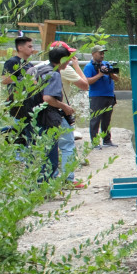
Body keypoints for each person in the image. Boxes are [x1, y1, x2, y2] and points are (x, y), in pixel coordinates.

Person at [30, 47, 78, 183]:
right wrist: (65, 106)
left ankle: (42, 183)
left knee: (44, 152)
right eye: (67, 60)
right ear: (62, 60)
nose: (68, 63)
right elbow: (48, 98)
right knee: (53, 152)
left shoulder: (41, 70)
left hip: (37, 116)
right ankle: (54, 184)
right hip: (49, 118)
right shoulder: (55, 74)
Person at [45, 41, 89, 185]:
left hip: (44, 113)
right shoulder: (65, 69)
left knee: (50, 146)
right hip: (57, 111)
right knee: (67, 145)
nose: (70, 58)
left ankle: (50, 178)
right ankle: (68, 179)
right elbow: (85, 85)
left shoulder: (42, 67)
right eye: (68, 55)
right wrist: (76, 66)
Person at [84, 44, 120, 148]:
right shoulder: (89, 66)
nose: (102, 55)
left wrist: (109, 73)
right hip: (96, 97)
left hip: (109, 96)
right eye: (100, 53)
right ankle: (95, 143)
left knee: (107, 120)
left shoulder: (106, 64)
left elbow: (117, 78)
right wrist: (99, 75)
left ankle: (107, 140)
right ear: (93, 54)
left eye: (103, 53)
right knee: (95, 120)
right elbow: (87, 82)